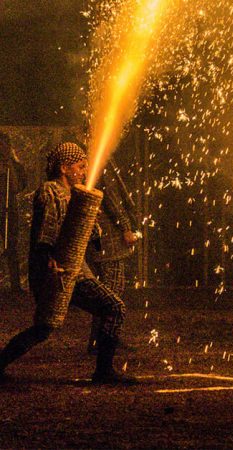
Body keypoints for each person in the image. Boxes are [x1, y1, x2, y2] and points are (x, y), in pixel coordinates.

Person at [0, 142, 136, 384]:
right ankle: (103, 372)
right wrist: (48, 260)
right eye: (80, 167)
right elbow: (47, 231)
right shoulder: (50, 191)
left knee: (44, 328)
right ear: (64, 168)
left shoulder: (75, 194)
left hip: (71, 268)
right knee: (113, 308)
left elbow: (87, 236)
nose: (84, 172)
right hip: (57, 269)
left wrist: (92, 226)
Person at [85, 162, 139, 354]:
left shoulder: (96, 164)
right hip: (109, 239)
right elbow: (112, 201)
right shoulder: (102, 165)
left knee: (108, 290)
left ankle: (100, 339)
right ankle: (104, 340)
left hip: (101, 239)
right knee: (112, 291)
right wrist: (126, 227)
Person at [0, 132, 27, 293]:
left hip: (10, 210)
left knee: (11, 247)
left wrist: (14, 164)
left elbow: (22, 184)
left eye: (5, 145)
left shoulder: (14, 165)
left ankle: (15, 285)